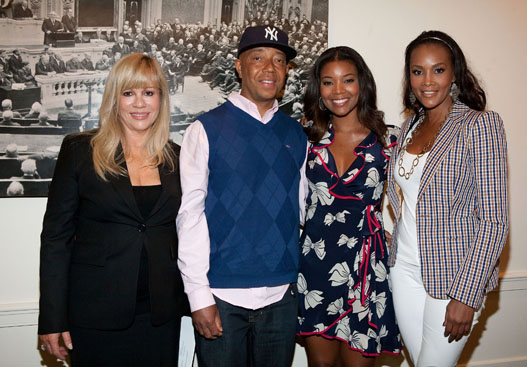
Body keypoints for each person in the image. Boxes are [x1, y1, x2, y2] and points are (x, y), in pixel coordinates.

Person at [38, 53, 190, 366]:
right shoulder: (80, 150)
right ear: (114, 99)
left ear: (161, 99)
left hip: (160, 316)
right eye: (129, 93)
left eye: (149, 93)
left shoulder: (178, 157)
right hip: (95, 314)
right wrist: (53, 317)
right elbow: (56, 239)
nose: (139, 103)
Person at [177, 25, 307, 367]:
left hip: (281, 296)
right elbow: (189, 216)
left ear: (287, 70)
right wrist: (198, 295)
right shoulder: (204, 129)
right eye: (258, 58)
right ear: (239, 66)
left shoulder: (297, 134)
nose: (269, 68)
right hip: (220, 296)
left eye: (279, 60)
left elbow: (303, 210)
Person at [386, 30, 509, 367]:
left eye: (438, 70)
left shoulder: (480, 125)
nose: (427, 81)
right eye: (417, 71)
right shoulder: (409, 126)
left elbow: (494, 220)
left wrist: (467, 295)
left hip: (454, 275)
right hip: (405, 271)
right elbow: (411, 202)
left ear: (454, 72)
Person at [296, 46, 402, 366]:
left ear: (363, 84)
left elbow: (420, 201)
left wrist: (396, 237)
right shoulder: (307, 137)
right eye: (328, 82)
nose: (338, 90)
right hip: (315, 265)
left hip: (366, 269)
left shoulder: (390, 140)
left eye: (348, 80)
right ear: (319, 89)